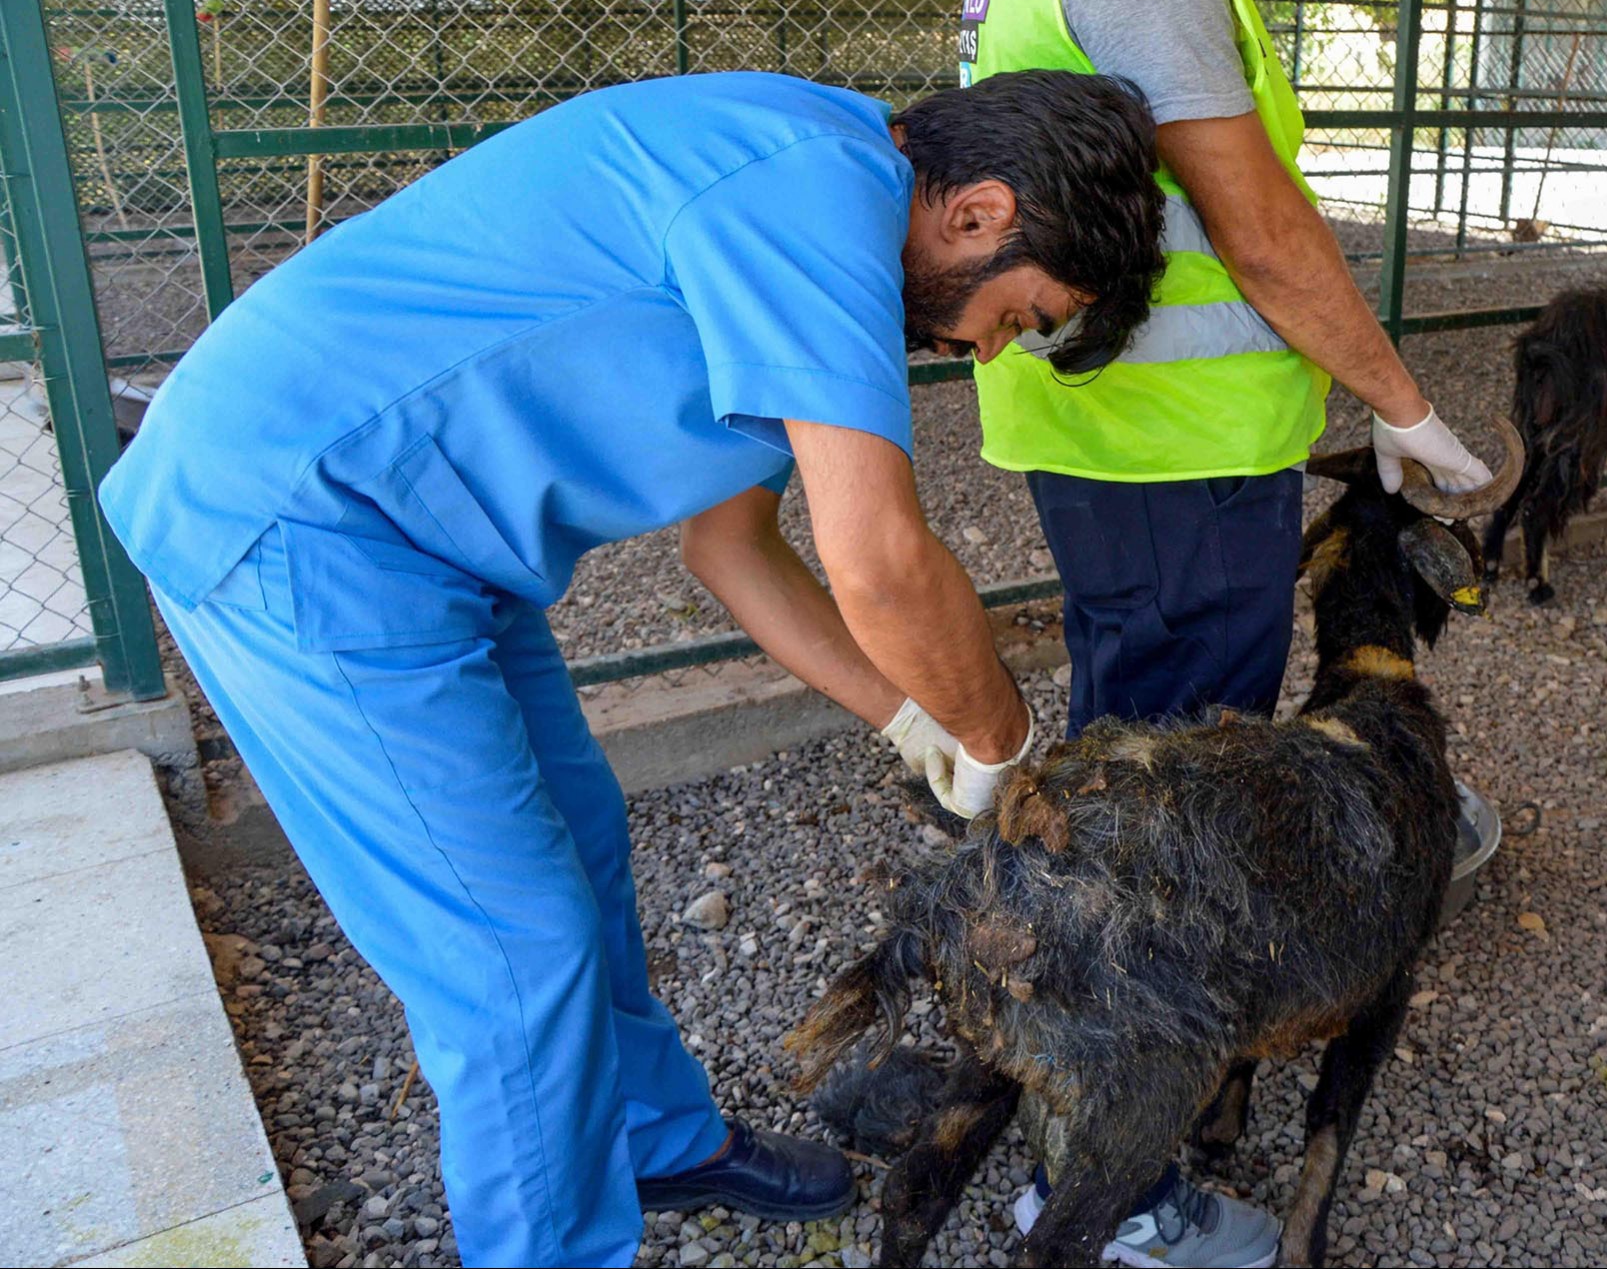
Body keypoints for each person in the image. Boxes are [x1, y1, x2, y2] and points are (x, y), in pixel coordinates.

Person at [97, 68, 1164, 1268]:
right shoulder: (816, 193)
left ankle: (649, 1140)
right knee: (507, 953)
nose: (982, 349)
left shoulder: (818, 189)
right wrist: (1003, 749)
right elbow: (879, 558)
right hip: (305, 515)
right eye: (1015, 317)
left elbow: (733, 547)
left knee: (580, 835)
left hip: (424, 540)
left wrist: (910, 716)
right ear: (975, 212)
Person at [960, 0, 1495, 1266]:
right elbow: (1253, 222)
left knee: (1122, 768)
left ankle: (1105, 1103)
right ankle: (1105, 1182)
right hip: (1173, 442)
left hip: (1124, 434)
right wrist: (1401, 405)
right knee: (1163, 818)